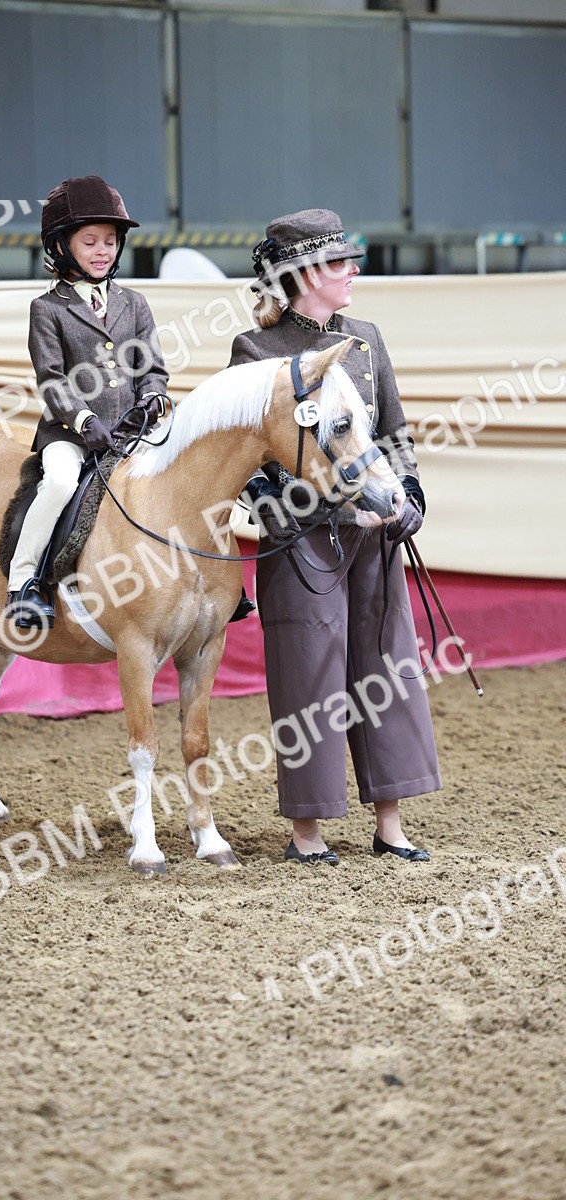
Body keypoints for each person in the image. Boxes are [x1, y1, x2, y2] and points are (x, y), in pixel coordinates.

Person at [230, 208, 441, 865]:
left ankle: (391, 824)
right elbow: (244, 463)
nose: (354, 270)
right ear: (305, 275)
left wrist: (408, 501)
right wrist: (283, 509)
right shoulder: (255, 352)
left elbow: (395, 438)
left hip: (375, 540)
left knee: (386, 672)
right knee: (309, 682)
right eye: (341, 262)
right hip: (302, 543)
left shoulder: (368, 341)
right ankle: (308, 834)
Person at [5, 175, 170, 629]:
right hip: (72, 434)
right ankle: (22, 583)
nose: (103, 251)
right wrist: (82, 420)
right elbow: (52, 380)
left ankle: (210, 581)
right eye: (90, 241)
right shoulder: (48, 309)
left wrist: (153, 399)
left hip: (133, 431)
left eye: (111, 242)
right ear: (61, 246)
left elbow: (152, 368)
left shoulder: (134, 303)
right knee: (59, 482)